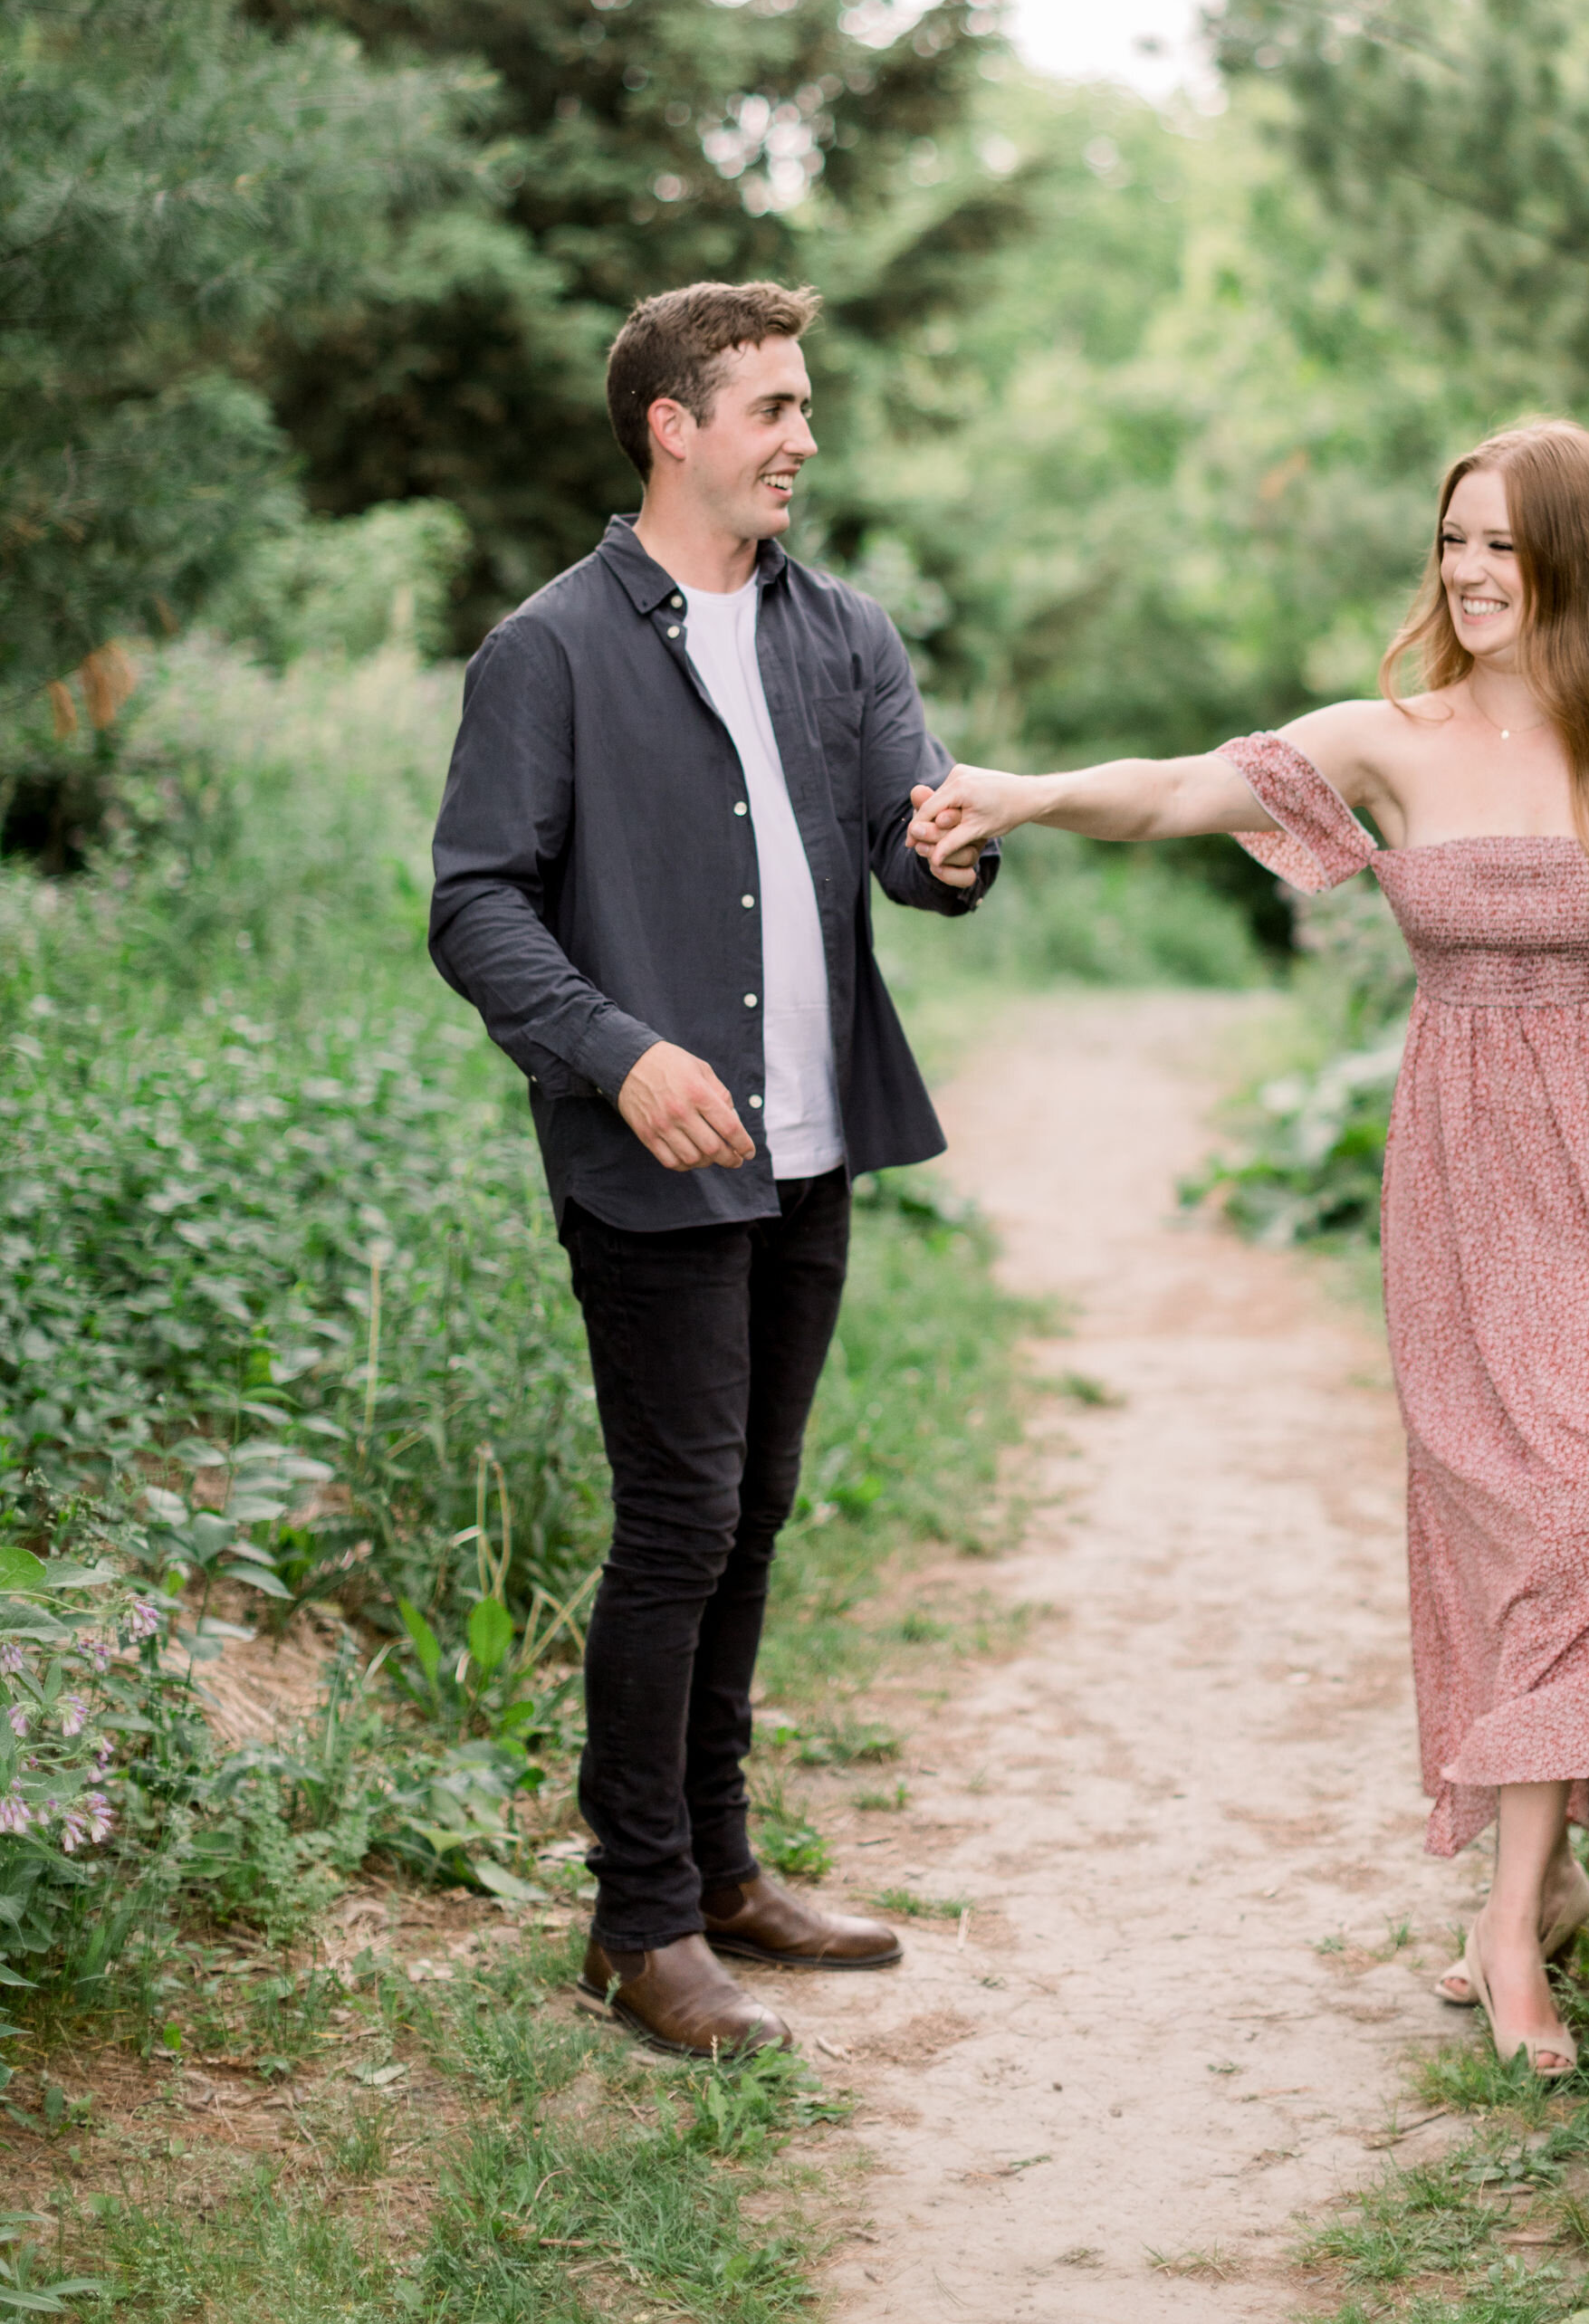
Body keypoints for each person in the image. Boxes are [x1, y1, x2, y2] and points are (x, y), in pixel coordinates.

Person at [909, 416, 1589, 2077]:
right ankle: (1524, 1907)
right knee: (1516, 1526)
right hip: (1461, 1174)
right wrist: (1028, 791)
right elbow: (1173, 792)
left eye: (1506, 544)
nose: (1470, 571)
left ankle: (1526, 1895)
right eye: (1455, 540)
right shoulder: (1392, 739)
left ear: (1582, 557)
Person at [430, 279, 998, 2061]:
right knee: (678, 1522)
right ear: (674, 425)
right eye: (772, 408)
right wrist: (621, 1050)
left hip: (812, 1148)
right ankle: (638, 1921)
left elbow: (914, 863)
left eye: (804, 406)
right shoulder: (550, 650)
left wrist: (957, 849)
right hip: (650, 1163)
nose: (802, 439)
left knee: (751, 1509)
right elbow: (473, 905)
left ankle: (729, 1872)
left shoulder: (849, 636)